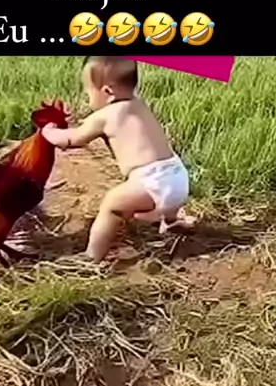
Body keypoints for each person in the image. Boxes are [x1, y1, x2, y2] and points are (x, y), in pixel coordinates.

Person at [41, 57, 197, 263]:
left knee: (111, 205)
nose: (88, 100)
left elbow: (72, 139)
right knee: (141, 196)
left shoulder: (104, 116)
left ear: (107, 92)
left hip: (151, 181)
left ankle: (91, 257)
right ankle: (171, 220)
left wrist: (49, 132)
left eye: (89, 93)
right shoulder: (139, 104)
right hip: (178, 177)